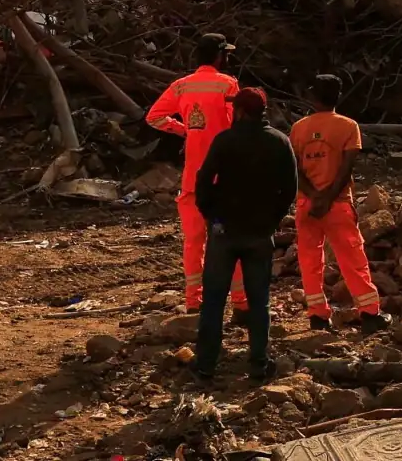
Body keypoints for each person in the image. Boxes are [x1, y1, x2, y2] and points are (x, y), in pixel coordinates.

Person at [191, 87, 295, 382]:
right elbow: (289, 189)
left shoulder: (225, 141)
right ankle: (258, 364)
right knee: (259, 301)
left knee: (213, 300)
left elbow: (203, 181)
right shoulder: (279, 142)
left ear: (239, 111)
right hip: (259, 233)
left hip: (225, 231)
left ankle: (206, 365)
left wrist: (212, 215)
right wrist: (272, 220)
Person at [146, 33, 247, 315]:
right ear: (219, 56)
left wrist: (186, 131)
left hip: (193, 178)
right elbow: (237, 122)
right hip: (225, 178)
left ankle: (194, 302)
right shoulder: (227, 84)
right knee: (233, 240)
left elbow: (153, 117)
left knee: (194, 243)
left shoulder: (181, 86)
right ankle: (241, 303)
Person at [291, 74, 387, 332]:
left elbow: (296, 170)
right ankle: (369, 313)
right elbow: (346, 169)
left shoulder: (299, 128)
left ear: (313, 96)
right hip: (338, 205)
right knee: (353, 260)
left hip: (306, 206)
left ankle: (317, 316)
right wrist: (328, 197)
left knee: (310, 262)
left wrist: (314, 197)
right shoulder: (348, 126)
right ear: (338, 96)